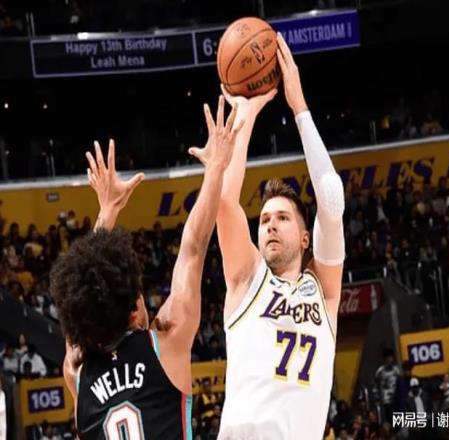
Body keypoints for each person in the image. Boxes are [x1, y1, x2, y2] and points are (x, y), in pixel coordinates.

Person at [50, 98, 241, 440]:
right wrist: (215, 168)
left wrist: (106, 212)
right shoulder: (164, 343)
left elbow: (80, 297)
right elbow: (193, 248)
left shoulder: (77, 371)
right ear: (135, 311)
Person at [197, 33, 345, 439]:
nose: (270, 225)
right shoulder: (248, 277)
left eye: (282, 218)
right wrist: (245, 113)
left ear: (305, 238)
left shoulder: (325, 292)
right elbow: (225, 200)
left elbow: (331, 199)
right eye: (263, 220)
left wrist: (299, 107)